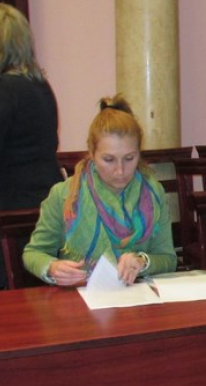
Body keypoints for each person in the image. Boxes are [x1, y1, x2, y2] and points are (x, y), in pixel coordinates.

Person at [23, 95, 177, 286]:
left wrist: (142, 262)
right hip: (80, 295)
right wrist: (52, 268)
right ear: (92, 153)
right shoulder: (65, 195)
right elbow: (33, 253)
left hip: (136, 295)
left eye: (129, 158)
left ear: (139, 153)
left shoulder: (153, 193)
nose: (120, 170)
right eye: (109, 160)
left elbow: (168, 258)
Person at [0, 2, 63, 288]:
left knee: (8, 294)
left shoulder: (3, 90)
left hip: (7, 214)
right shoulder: (39, 84)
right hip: (42, 204)